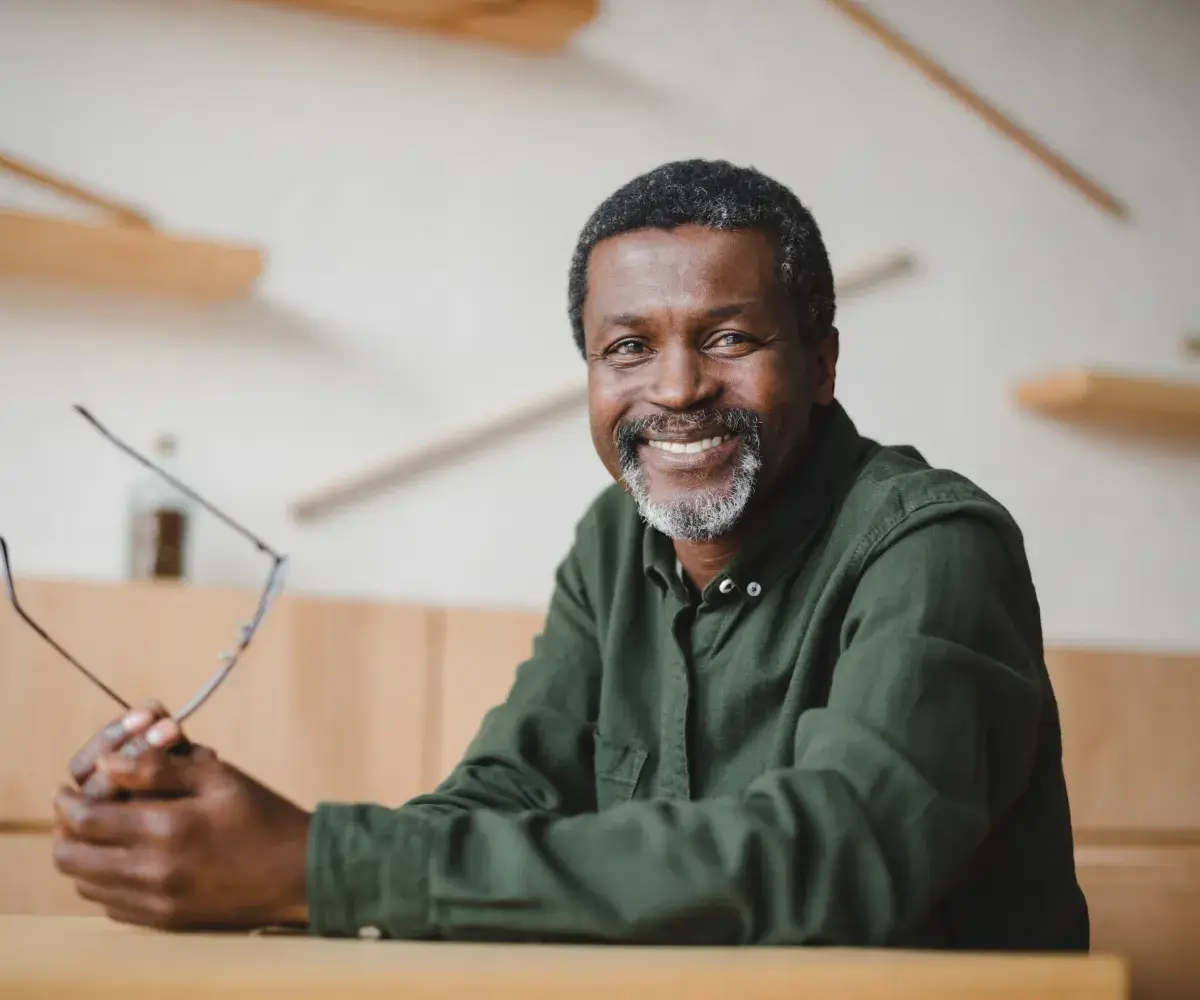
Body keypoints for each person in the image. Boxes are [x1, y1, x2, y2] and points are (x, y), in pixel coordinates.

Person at [50, 159, 1089, 949]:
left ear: (820, 363)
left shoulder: (934, 544)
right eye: (627, 347)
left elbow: (835, 859)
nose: (675, 389)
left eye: (729, 338)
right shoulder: (616, 538)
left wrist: (319, 867)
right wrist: (227, 828)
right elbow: (502, 796)